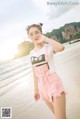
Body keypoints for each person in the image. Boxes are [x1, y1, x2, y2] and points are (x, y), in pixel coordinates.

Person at [26, 23, 67, 119]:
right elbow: (34, 72)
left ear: (41, 33)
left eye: (37, 32)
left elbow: (61, 48)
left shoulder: (48, 47)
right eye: (31, 34)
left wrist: (45, 39)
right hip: (42, 87)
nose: (34, 35)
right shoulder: (31, 53)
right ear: (29, 37)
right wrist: (36, 90)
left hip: (54, 84)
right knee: (57, 116)